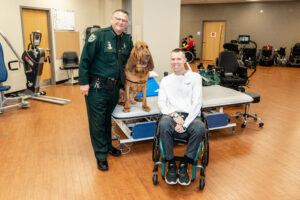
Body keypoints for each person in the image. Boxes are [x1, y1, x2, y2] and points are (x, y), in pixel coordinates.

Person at [79, 9, 133, 171]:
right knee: (97, 121)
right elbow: (85, 60)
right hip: (97, 87)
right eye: (118, 19)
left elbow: (128, 63)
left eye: (124, 20)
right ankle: (101, 155)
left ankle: (108, 145)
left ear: (127, 23)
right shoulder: (98, 36)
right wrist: (83, 83)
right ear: (112, 19)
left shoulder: (127, 40)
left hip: (114, 88)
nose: (121, 22)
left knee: (107, 119)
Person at [157, 48, 205, 186]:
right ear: (170, 61)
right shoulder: (166, 80)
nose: (175, 62)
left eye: (179, 59)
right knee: (164, 124)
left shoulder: (195, 78)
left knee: (200, 128)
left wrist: (184, 123)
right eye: (173, 59)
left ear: (185, 60)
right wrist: (174, 116)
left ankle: (185, 163)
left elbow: (197, 104)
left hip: (191, 115)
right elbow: (162, 103)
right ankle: (171, 163)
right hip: (172, 115)